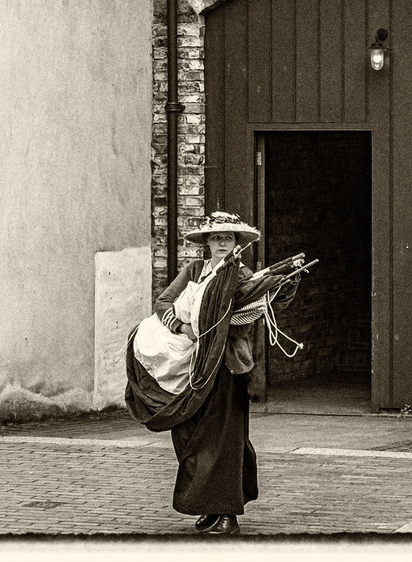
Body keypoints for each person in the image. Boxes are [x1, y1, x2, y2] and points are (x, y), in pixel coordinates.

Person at [128, 211, 301, 535]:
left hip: (225, 370)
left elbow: (249, 316)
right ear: (207, 243)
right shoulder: (194, 270)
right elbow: (164, 301)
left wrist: (219, 323)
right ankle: (208, 507)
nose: (222, 242)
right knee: (190, 437)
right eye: (216, 237)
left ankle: (227, 514)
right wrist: (182, 326)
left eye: (229, 237)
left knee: (224, 443)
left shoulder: (243, 276)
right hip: (190, 369)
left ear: (238, 244)